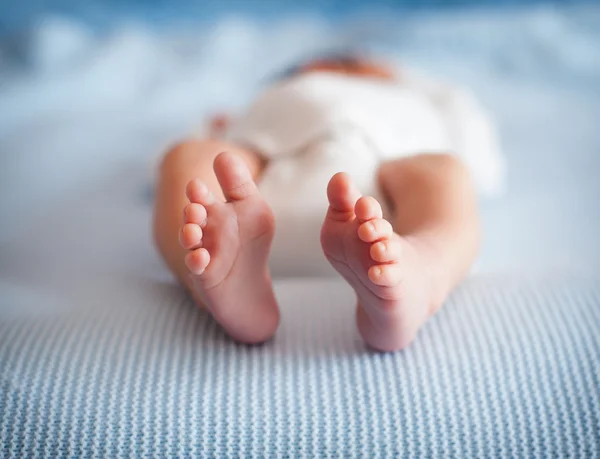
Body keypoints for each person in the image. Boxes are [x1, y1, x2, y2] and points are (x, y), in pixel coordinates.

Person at [152, 55, 504, 351]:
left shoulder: (421, 99)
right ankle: (218, 277)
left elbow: (477, 151)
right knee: (195, 159)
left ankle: (422, 268)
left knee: (447, 172)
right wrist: (215, 130)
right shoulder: (263, 106)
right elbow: (181, 149)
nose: (337, 66)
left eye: (355, 64)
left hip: (391, 202)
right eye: (321, 66)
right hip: (252, 196)